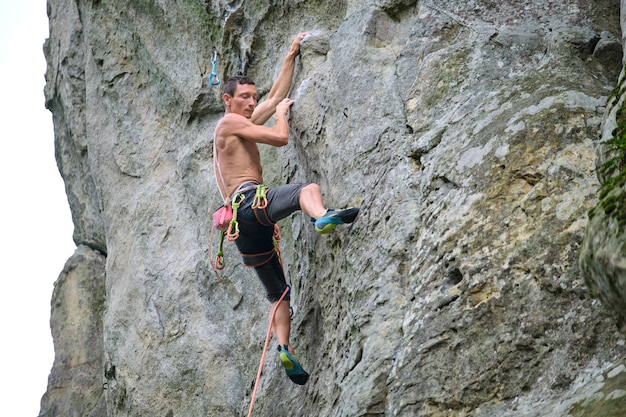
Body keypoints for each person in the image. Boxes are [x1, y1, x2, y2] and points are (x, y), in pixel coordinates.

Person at [213, 32, 359, 385]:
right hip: (250, 203)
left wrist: (292, 52)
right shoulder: (229, 123)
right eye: (244, 98)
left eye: (253, 98)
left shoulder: (240, 123)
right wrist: (280, 115)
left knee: (279, 293)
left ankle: (284, 347)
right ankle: (321, 215)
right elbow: (280, 136)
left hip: (242, 232)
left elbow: (276, 93)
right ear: (227, 100)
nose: (252, 103)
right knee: (305, 190)